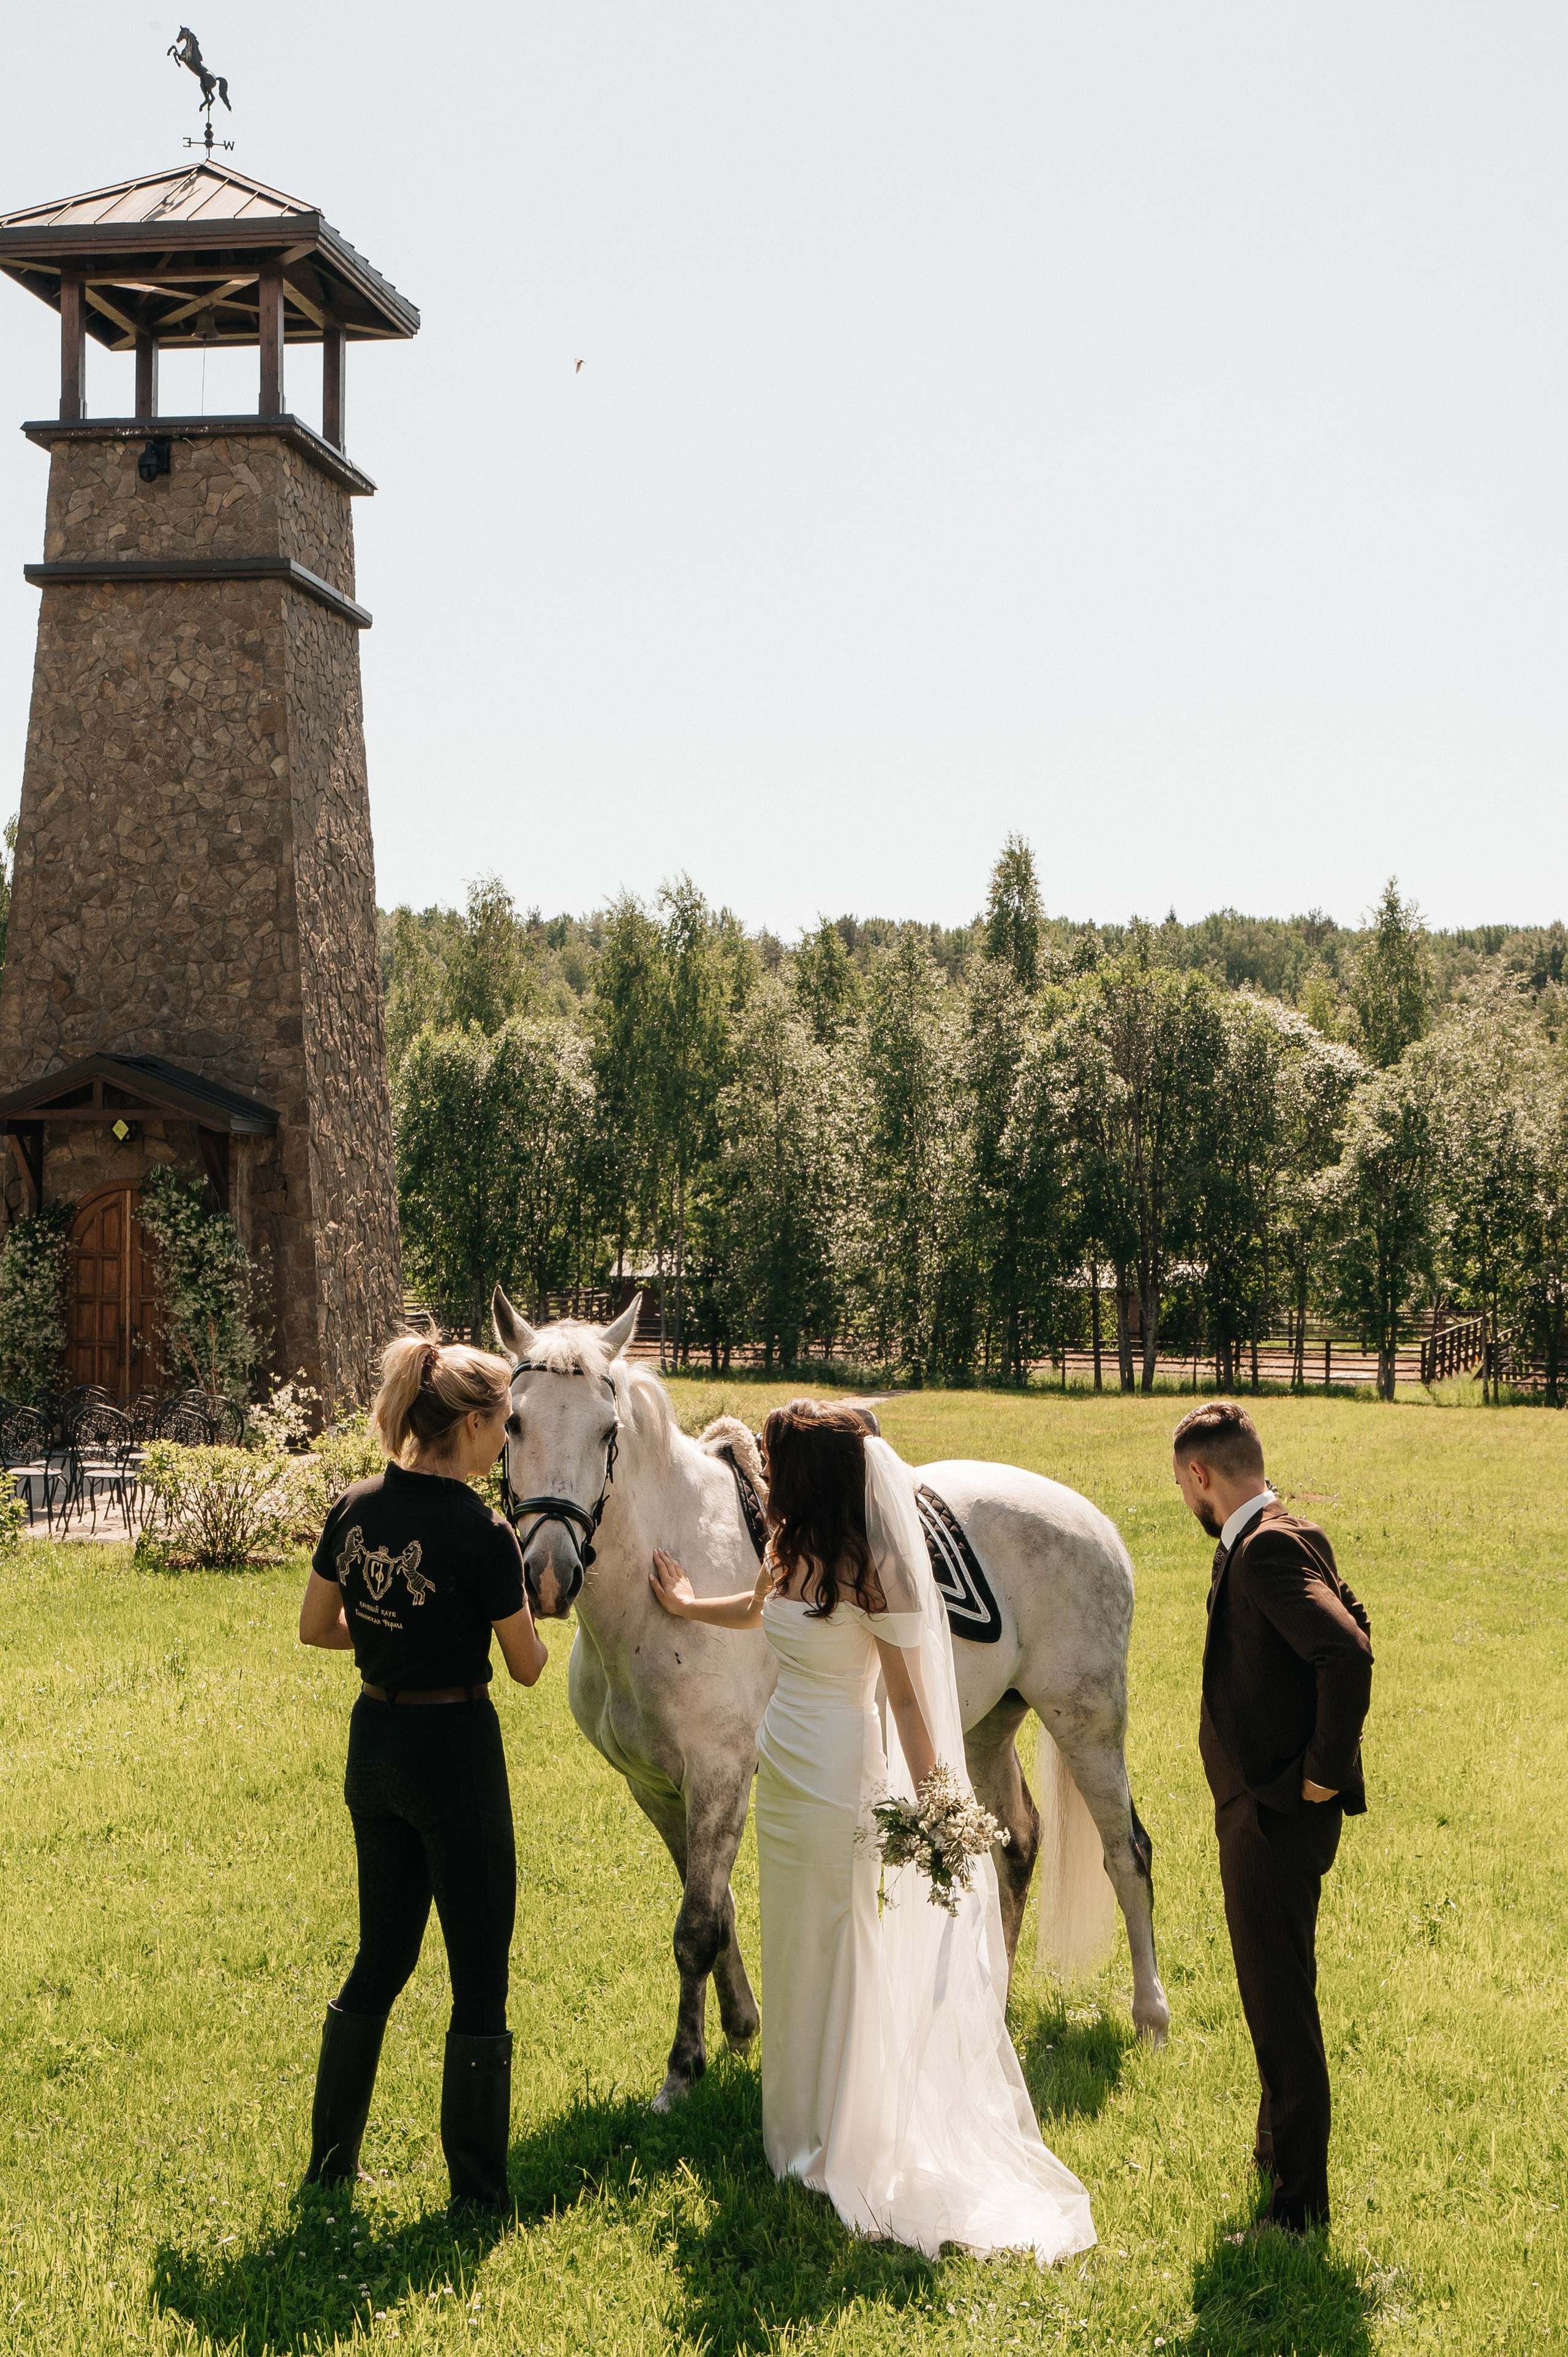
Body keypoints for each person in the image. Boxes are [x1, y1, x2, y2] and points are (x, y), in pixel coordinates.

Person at [649, 1400, 1095, 2265]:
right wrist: (685, 1600)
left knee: (843, 1940)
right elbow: (753, 1611)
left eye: (776, 1463)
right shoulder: (786, 1548)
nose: (766, 1477)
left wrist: (939, 1802)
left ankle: (842, 2138)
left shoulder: (871, 1571)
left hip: (840, 1777)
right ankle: (798, 2125)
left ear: (809, 1475)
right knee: (798, 1944)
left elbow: (904, 1697)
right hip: (782, 1778)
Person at [296, 1335, 548, 2216]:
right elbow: (525, 1667)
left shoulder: (355, 1503)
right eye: (506, 1424)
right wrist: (531, 1614)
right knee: (479, 1971)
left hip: (376, 1746)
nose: (508, 1440)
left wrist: (388, 1637)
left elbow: (316, 1625)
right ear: (473, 1425)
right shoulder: (483, 1532)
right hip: (454, 1755)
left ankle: (330, 2166)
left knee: (382, 1956)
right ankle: (479, 2198)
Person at [1172, 1398, 1373, 2236]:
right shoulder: (1289, 1532)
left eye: (1183, 1484)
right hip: (1265, 1812)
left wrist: (1319, 1776)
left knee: (1281, 2006)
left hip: (1274, 1818)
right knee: (1273, 1994)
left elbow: (1347, 1651)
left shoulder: (1263, 1550)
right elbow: (1357, 1621)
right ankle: (1273, 2158)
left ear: (1201, 1475)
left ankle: (1297, 2214)